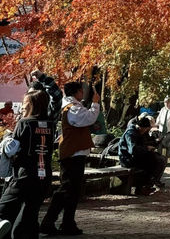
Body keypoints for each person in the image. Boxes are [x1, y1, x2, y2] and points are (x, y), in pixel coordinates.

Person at [40, 82, 100, 236]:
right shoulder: (71, 107)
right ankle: (49, 221)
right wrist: (95, 104)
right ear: (77, 92)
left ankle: (68, 222)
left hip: (75, 152)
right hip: (72, 154)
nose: (83, 94)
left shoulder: (72, 105)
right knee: (66, 189)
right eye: (81, 91)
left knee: (72, 191)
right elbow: (86, 119)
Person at [0, 89, 55, 239]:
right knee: (30, 216)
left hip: (24, 175)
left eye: (24, 103)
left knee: (3, 208)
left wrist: (7, 138)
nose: (22, 107)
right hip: (44, 176)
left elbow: (12, 149)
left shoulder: (24, 123)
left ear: (31, 104)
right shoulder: (51, 124)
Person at [118, 117, 166, 195]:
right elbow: (133, 150)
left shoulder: (139, 132)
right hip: (127, 159)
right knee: (153, 161)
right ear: (141, 127)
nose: (146, 131)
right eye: (145, 129)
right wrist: (146, 148)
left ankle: (146, 185)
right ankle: (142, 187)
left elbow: (142, 145)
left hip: (135, 157)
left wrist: (154, 143)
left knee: (159, 158)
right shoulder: (130, 133)